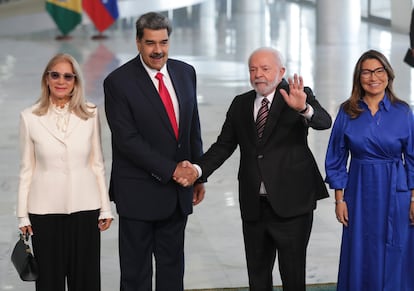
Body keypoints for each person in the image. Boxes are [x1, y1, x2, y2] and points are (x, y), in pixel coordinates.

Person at [178, 47, 331, 291]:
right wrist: (197, 170)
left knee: (293, 276)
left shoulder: (298, 95)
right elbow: (223, 146)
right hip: (254, 207)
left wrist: (303, 109)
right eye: (253, 69)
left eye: (265, 68)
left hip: (292, 204)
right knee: (257, 277)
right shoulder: (241, 104)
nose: (258, 74)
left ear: (281, 71)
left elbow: (324, 122)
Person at [103, 12, 205, 291]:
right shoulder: (118, 82)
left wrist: (198, 174)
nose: (158, 50)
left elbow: (192, 126)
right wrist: (172, 170)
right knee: (136, 275)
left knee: (173, 270)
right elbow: (127, 140)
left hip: (177, 195)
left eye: (163, 42)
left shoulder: (186, 73)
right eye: (150, 43)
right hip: (138, 195)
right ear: (138, 42)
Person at [17, 53, 114, 291]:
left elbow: (97, 164)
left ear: (76, 82)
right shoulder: (29, 117)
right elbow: (27, 169)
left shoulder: (91, 113)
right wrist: (22, 215)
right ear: (47, 79)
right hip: (44, 211)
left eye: (68, 76)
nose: (61, 81)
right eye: (55, 75)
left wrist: (105, 208)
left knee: (86, 281)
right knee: (49, 282)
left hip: (85, 209)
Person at [325, 49, 414, 290]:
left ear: (388, 74)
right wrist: (339, 200)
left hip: (397, 191)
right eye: (366, 72)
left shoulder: (403, 111)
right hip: (360, 190)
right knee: (360, 248)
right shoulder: (347, 111)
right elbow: (336, 157)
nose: (373, 77)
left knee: (397, 248)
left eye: (379, 71)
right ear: (359, 77)